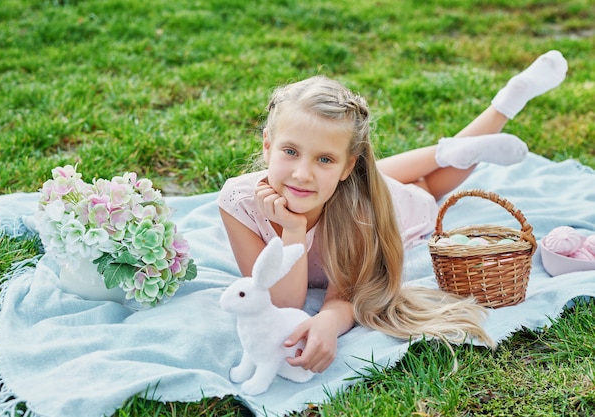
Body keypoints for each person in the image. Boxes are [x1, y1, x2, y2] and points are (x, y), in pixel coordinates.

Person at [217, 50, 568, 373]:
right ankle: (449, 149)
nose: (301, 173)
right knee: (374, 175)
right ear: (267, 145)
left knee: (426, 188)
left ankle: (480, 129)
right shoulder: (239, 201)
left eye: (324, 158)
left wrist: (327, 314)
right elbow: (281, 301)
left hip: (387, 200)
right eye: (290, 151)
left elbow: (343, 293)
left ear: (346, 166)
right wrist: (293, 230)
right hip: (352, 185)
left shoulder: (359, 211)